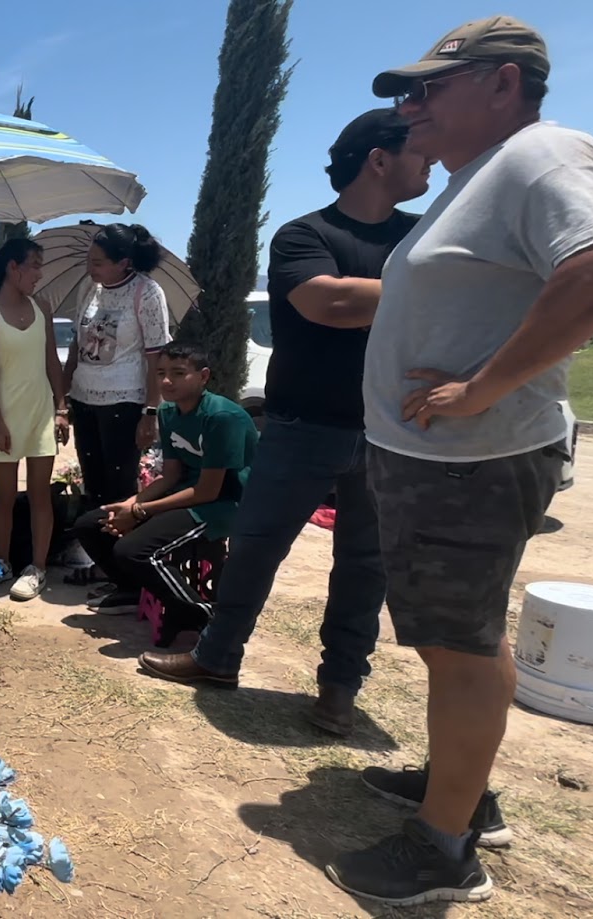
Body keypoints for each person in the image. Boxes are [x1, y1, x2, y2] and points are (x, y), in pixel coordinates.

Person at [322, 17, 593, 906]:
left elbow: (590, 270)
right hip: (442, 461)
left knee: (459, 650)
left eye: (429, 88)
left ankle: (444, 850)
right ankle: (464, 789)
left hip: (472, 457)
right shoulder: (480, 176)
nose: (409, 110)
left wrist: (480, 387)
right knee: (465, 643)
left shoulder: (541, 156)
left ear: (504, 84)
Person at [137, 109, 432, 739]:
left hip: (389, 431)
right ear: (377, 159)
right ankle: (217, 658)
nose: (430, 157)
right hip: (303, 427)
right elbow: (329, 302)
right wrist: (434, 288)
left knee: (365, 566)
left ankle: (340, 688)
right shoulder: (306, 235)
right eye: (416, 148)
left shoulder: (426, 234)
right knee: (254, 548)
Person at [73, 342, 257, 638]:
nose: (167, 381)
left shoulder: (222, 418)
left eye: (178, 373)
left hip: (225, 504)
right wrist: (131, 504)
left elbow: (209, 491)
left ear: (203, 376)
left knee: (134, 551)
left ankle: (203, 616)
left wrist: (139, 511)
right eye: (161, 373)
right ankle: (131, 589)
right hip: (189, 494)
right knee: (91, 525)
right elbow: (171, 475)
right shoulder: (169, 412)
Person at [0, 238, 69, 600]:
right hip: (4, 416)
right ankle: (3, 564)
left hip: (41, 413)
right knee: (5, 496)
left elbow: (51, 362)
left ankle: (37, 568)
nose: (39, 273)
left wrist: (61, 408)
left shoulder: (41, 308)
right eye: (34, 265)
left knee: (41, 494)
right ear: (13, 268)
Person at [67, 224, 173, 512]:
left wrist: (150, 413)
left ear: (124, 263)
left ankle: (116, 553)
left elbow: (156, 356)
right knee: (93, 483)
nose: (91, 268)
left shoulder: (147, 292)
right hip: (83, 399)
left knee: (119, 486)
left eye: (98, 263)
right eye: (89, 260)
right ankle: (93, 549)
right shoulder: (88, 289)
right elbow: (76, 345)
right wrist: (63, 402)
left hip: (124, 403)